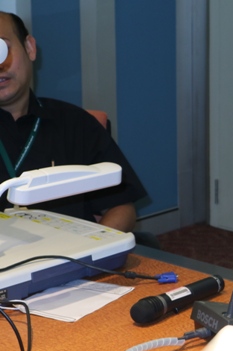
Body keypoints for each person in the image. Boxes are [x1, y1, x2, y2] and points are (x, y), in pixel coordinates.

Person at [0, 12, 146, 232]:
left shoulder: (75, 123)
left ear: (29, 48)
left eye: (3, 48)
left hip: (74, 250)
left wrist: (93, 248)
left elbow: (121, 207)